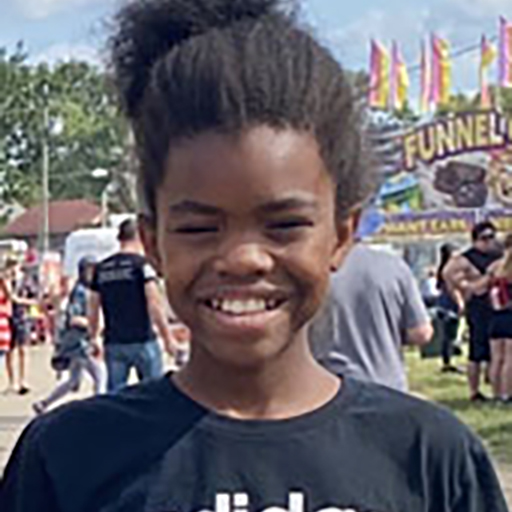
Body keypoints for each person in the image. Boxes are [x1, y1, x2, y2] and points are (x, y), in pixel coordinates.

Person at [0, 1, 508, 511]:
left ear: (341, 234)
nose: (244, 258)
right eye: (200, 227)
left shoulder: (429, 459)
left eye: (284, 224)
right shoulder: (70, 457)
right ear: (154, 244)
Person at [309, 244, 433, 392]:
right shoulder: (393, 266)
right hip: (387, 384)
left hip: (329, 386)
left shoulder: (312, 269)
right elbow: (421, 333)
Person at [88, 218, 177, 392]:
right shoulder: (142, 266)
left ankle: (117, 420)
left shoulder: (102, 268)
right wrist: (168, 338)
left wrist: (93, 337)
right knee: (155, 393)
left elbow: (92, 307)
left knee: (115, 395)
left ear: (119, 238)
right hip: (143, 339)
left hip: (114, 341)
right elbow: (154, 304)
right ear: (139, 237)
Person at [32, 257, 106, 415]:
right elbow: (74, 318)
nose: (94, 273)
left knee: (73, 381)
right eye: (90, 270)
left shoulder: (87, 290)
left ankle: (43, 403)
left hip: (78, 341)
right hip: (79, 342)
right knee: (100, 375)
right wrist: (93, 325)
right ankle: (100, 409)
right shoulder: (80, 292)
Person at [443, 221, 502, 401]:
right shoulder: (466, 258)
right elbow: (447, 273)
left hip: (499, 306)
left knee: (497, 351)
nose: (489, 242)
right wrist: (464, 287)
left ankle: (498, 389)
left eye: (492, 237)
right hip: (478, 306)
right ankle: (474, 391)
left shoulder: (499, 255)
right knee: (476, 350)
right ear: (476, 240)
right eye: (485, 238)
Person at [3, 258, 35, 395]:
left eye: (14, 266)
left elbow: (33, 295)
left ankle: (23, 381)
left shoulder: (26, 280)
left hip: (22, 316)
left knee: (23, 350)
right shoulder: (6, 281)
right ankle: (11, 382)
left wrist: (29, 302)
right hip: (9, 316)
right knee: (10, 351)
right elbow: (10, 297)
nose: (13, 269)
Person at [487, 234, 512, 404]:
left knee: (496, 358)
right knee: (510, 359)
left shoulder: (494, 267)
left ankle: (496, 393)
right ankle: (507, 393)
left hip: (495, 316)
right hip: (510, 315)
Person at [435, 243, 464, 373]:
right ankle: (448, 362)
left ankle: (447, 361)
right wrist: (460, 303)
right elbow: (453, 290)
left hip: (442, 305)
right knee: (450, 336)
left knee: (447, 336)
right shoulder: (449, 270)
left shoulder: (441, 269)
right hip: (449, 306)